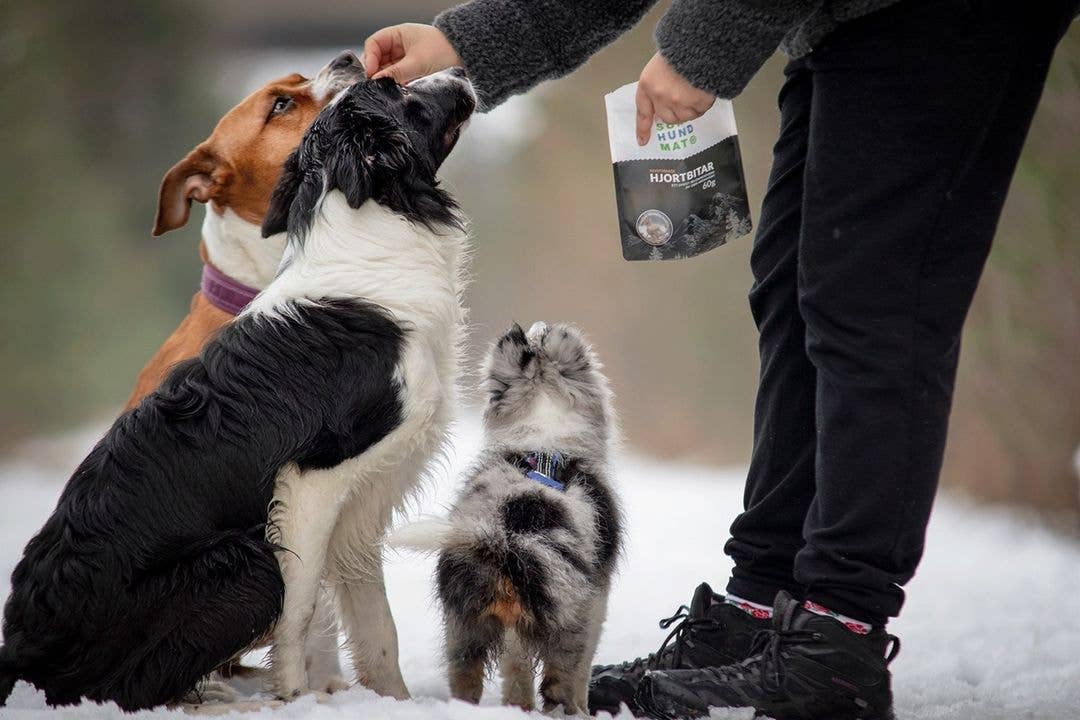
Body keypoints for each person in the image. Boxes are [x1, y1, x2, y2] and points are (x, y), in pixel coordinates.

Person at [363, 2, 1078, 718]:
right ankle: (762, 608)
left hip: (929, 21)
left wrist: (702, 47)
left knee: (871, 305)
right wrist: (461, 41)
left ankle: (836, 639)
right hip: (843, 22)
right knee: (796, 293)